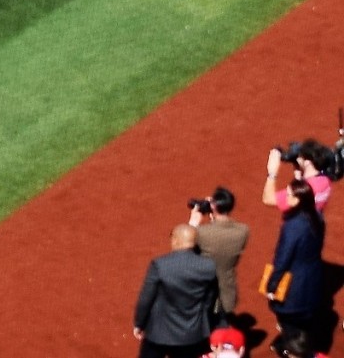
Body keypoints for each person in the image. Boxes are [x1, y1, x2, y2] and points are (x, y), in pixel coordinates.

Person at [133, 223, 218, 358]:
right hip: (191, 335)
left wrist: (139, 323)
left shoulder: (160, 265)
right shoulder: (209, 266)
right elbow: (209, 300)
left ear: (176, 240)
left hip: (158, 334)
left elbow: (146, 298)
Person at [265, 179, 325, 337]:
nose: (286, 197)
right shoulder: (317, 216)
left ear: (298, 200)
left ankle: (291, 345)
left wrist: (272, 285)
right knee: (306, 320)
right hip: (313, 278)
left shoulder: (293, 227)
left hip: (295, 286)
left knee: (289, 320)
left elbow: (283, 259)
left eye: (289, 195)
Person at [189, 187, 249, 323]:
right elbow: (219, 241)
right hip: (226, 290)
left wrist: (193, 224)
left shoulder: (201, 233)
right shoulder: (243, 231)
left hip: (201, 290)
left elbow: (185, 247)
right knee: (222, 324)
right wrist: (214, 215)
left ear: (213, 206)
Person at [263, 140, 332, 213]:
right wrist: (297, 166)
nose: (298, 156)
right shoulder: (326, 181)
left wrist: (272, 173)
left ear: (308, 162)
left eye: (301, 155)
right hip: (313, 221)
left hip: (299, 223)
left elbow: (268, 199)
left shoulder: (303, 190)